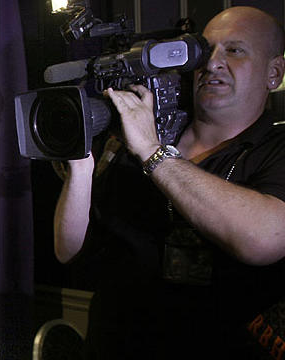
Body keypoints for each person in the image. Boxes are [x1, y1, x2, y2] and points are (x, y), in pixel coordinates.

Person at [54, 6, 285, 359]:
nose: (212, 64)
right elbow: (69, 250)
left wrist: (152, 152)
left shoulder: (275, 149)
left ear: (275, 72)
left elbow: (264, 238)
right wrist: (81, 166)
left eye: (235, 50)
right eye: (206, 51)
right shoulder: (143, 131)